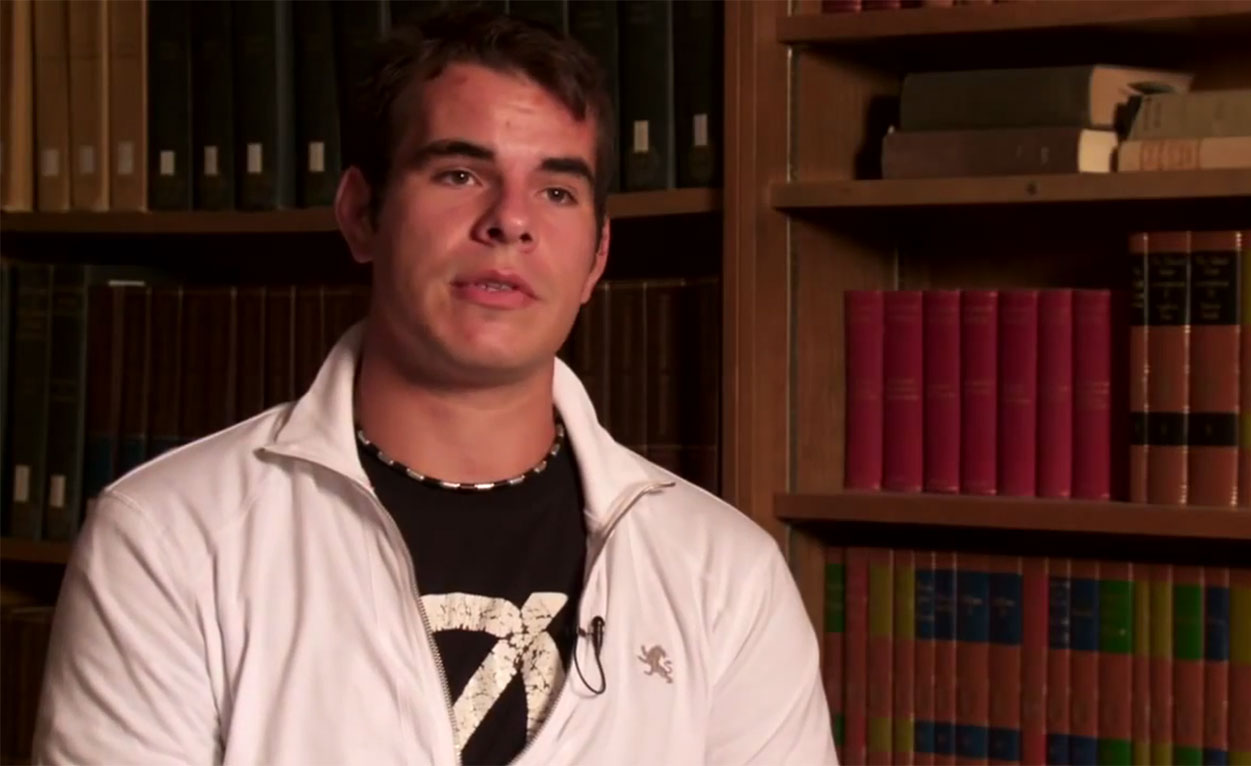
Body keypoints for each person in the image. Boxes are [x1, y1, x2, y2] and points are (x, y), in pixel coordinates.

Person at [33, 7, 835, 765]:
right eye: (459, 174)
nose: (510, 221)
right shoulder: (171, 539)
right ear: (361, 214)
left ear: (596, 257)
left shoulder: (725, 576)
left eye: (557, 191)